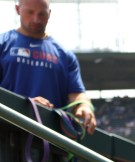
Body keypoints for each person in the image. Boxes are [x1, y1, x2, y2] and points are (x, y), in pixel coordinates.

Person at [0, 0, 96, 134]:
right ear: (17, 10)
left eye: (42, 14)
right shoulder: (3, 44)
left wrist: (84, 105)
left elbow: (77, 93)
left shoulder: (65, 55)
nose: (36, 19)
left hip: (51, 140)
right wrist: (27, 106)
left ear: (49, 13)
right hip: (6, 136)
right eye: (30, 12)